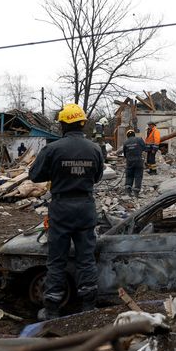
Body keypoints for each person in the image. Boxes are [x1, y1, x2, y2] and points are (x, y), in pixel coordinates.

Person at [29, 103, 104, 320]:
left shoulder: (52, 149)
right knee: (86, 257)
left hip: (61, 208)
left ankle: (52, 307)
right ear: (82, 123)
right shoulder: (95, 149)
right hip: (85, 207)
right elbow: (97, 177)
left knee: (57, 258)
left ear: (63, 124)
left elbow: (35, 175)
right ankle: (88, 306)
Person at [120, 128, 146, 196]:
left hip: (129, 162)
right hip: (138, 161)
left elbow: (125, 154)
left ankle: (128, 191)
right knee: (138, 176)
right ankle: (136, 192)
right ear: (134, 134)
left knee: (129, 176)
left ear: (127, 135)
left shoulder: (125, 142)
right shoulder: (139, 139)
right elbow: (144, 148)